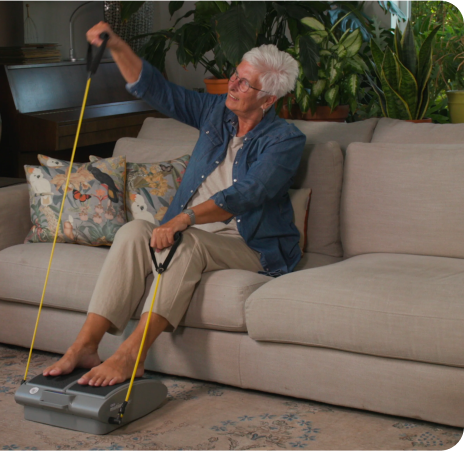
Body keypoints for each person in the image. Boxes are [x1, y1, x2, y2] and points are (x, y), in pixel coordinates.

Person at [42, 21, 305, 387]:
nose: (232, 84)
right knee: (135, 230)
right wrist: (116, 45)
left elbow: (250, 193)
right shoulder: (216, 112)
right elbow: (159, 90)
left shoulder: (285, 140)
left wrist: (185, 218)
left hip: (249, 244)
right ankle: (85, 345)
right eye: (235, 75)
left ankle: (131, 354)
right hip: (193, 228)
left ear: (268, 99)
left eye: (245, 83)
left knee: (187, 241)